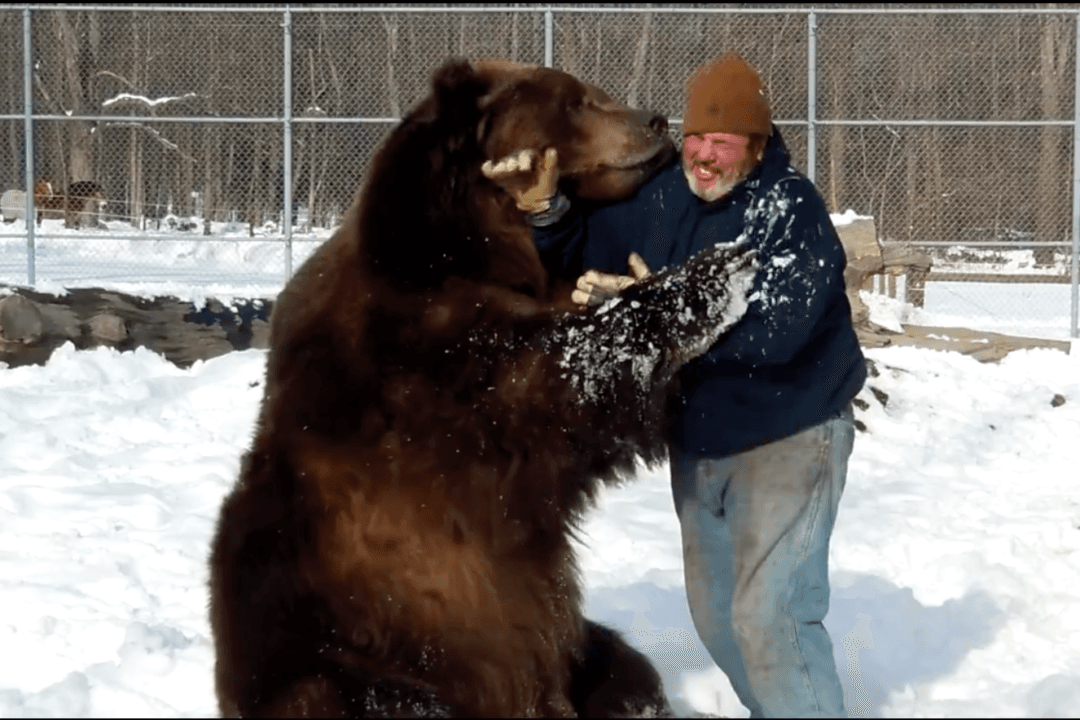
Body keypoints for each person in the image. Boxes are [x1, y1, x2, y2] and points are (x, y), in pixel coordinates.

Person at [483, 52, 867, 718]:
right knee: (721, 620)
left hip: (792, 435)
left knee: (770, 618)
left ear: (755, 145)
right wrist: (544, 210)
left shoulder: (787, 208)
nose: (705, 157)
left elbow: (776, 332)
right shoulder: (665, 196)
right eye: (696, 139)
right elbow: (585, 249)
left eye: (723, 143)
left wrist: (658, 309)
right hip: (701, 442)